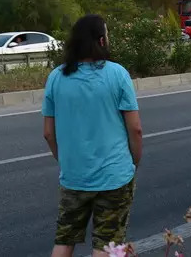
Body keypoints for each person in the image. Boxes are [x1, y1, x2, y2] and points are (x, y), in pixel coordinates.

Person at [42, 15, 143, 257]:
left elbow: (48, 133)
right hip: (114, 176)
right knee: (106, 244)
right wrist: (133, 162)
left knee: (64, 239)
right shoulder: (117, 74)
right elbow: (135, 129)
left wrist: (67, 161)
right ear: (101, 40)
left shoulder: (56, 77)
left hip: (73, 177)